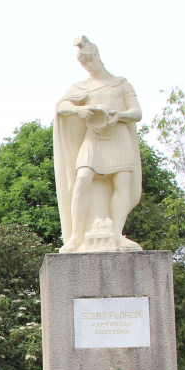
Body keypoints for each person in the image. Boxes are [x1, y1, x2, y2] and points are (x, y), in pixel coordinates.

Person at [54, 35, 143, 252]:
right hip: (94, 137)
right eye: (84, 63)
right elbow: (61, 106)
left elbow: (137, 113)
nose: (89, 66)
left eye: (91, 60)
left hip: (118, 137)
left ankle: (117, 234)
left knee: (122, 182)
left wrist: (119, 115)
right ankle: (76, 237)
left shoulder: (121, 84)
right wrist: (78, 110)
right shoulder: (81, 86)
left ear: (98, 57)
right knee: (83, 177)